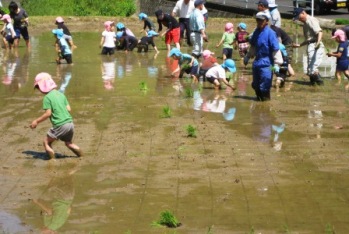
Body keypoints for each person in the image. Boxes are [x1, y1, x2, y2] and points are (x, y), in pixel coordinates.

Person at [29, 72, 82, 159]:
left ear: (42, 86)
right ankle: (82, 156)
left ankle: (52, 160)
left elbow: (48, 113)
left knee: (46, 142)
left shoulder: (47, 98)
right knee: (69, 143)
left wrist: (36, 121)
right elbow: (69, 109)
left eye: (38, 87)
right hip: (70, 123)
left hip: (60, 125)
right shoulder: (61, 94)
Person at [245, 12, 281, 101]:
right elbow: (253, 46)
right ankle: (259, 104)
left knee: (265, 84)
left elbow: (275, 49)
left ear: (266, 21)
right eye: (258, 20)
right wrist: (248, 56)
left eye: (261, 21)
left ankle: (266, 104)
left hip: (269, 64)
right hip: (257, 62)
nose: (259, 22)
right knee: (255, 85)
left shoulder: (271, 33)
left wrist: (277, 64)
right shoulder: (256, 32)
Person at [292, 8, 324, 86]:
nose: (299, 19)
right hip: (311, 45)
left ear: (303, 13)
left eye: (299, 17)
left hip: (316, 45)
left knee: (313, 68)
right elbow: (309, 39)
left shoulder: (311, 20)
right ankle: (313, 85)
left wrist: (318, 43)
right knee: (310, 70)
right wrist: (300, 45)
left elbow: (319, 32)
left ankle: (320, 85)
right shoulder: (305, 23)